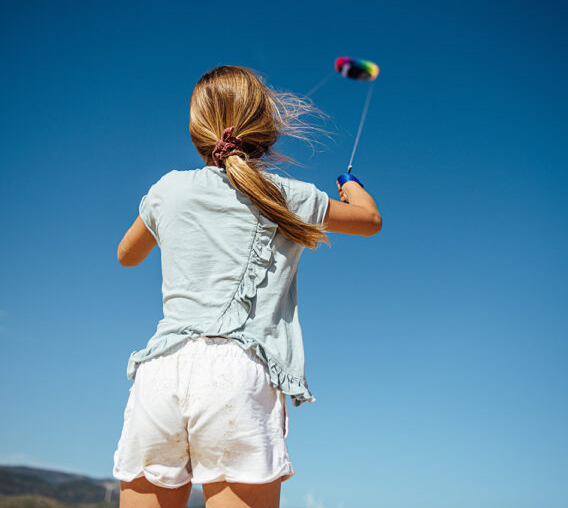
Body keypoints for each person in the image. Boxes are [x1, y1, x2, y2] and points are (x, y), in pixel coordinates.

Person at [113, 65, 382, 508]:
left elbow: (127, 254)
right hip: (238, 375)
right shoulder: (286, 195)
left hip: (160, 372)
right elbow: (370, 221)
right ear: (267, 130)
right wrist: (351, 186)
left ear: (197, 130)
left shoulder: (168, 189)